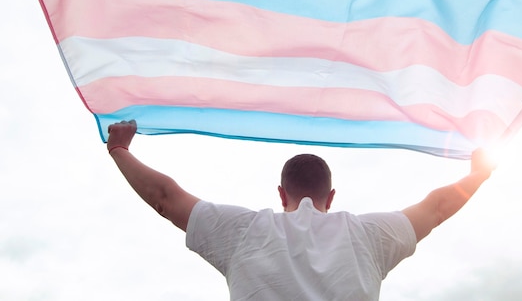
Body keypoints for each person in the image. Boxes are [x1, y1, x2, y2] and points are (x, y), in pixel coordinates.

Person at [107, 120, 494, 300]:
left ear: (281, 193)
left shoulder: (245, 232)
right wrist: (479, 173)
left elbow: (165, 198)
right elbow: (438, 207)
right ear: (331, 196)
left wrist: (120, 149)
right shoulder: (369, 237)